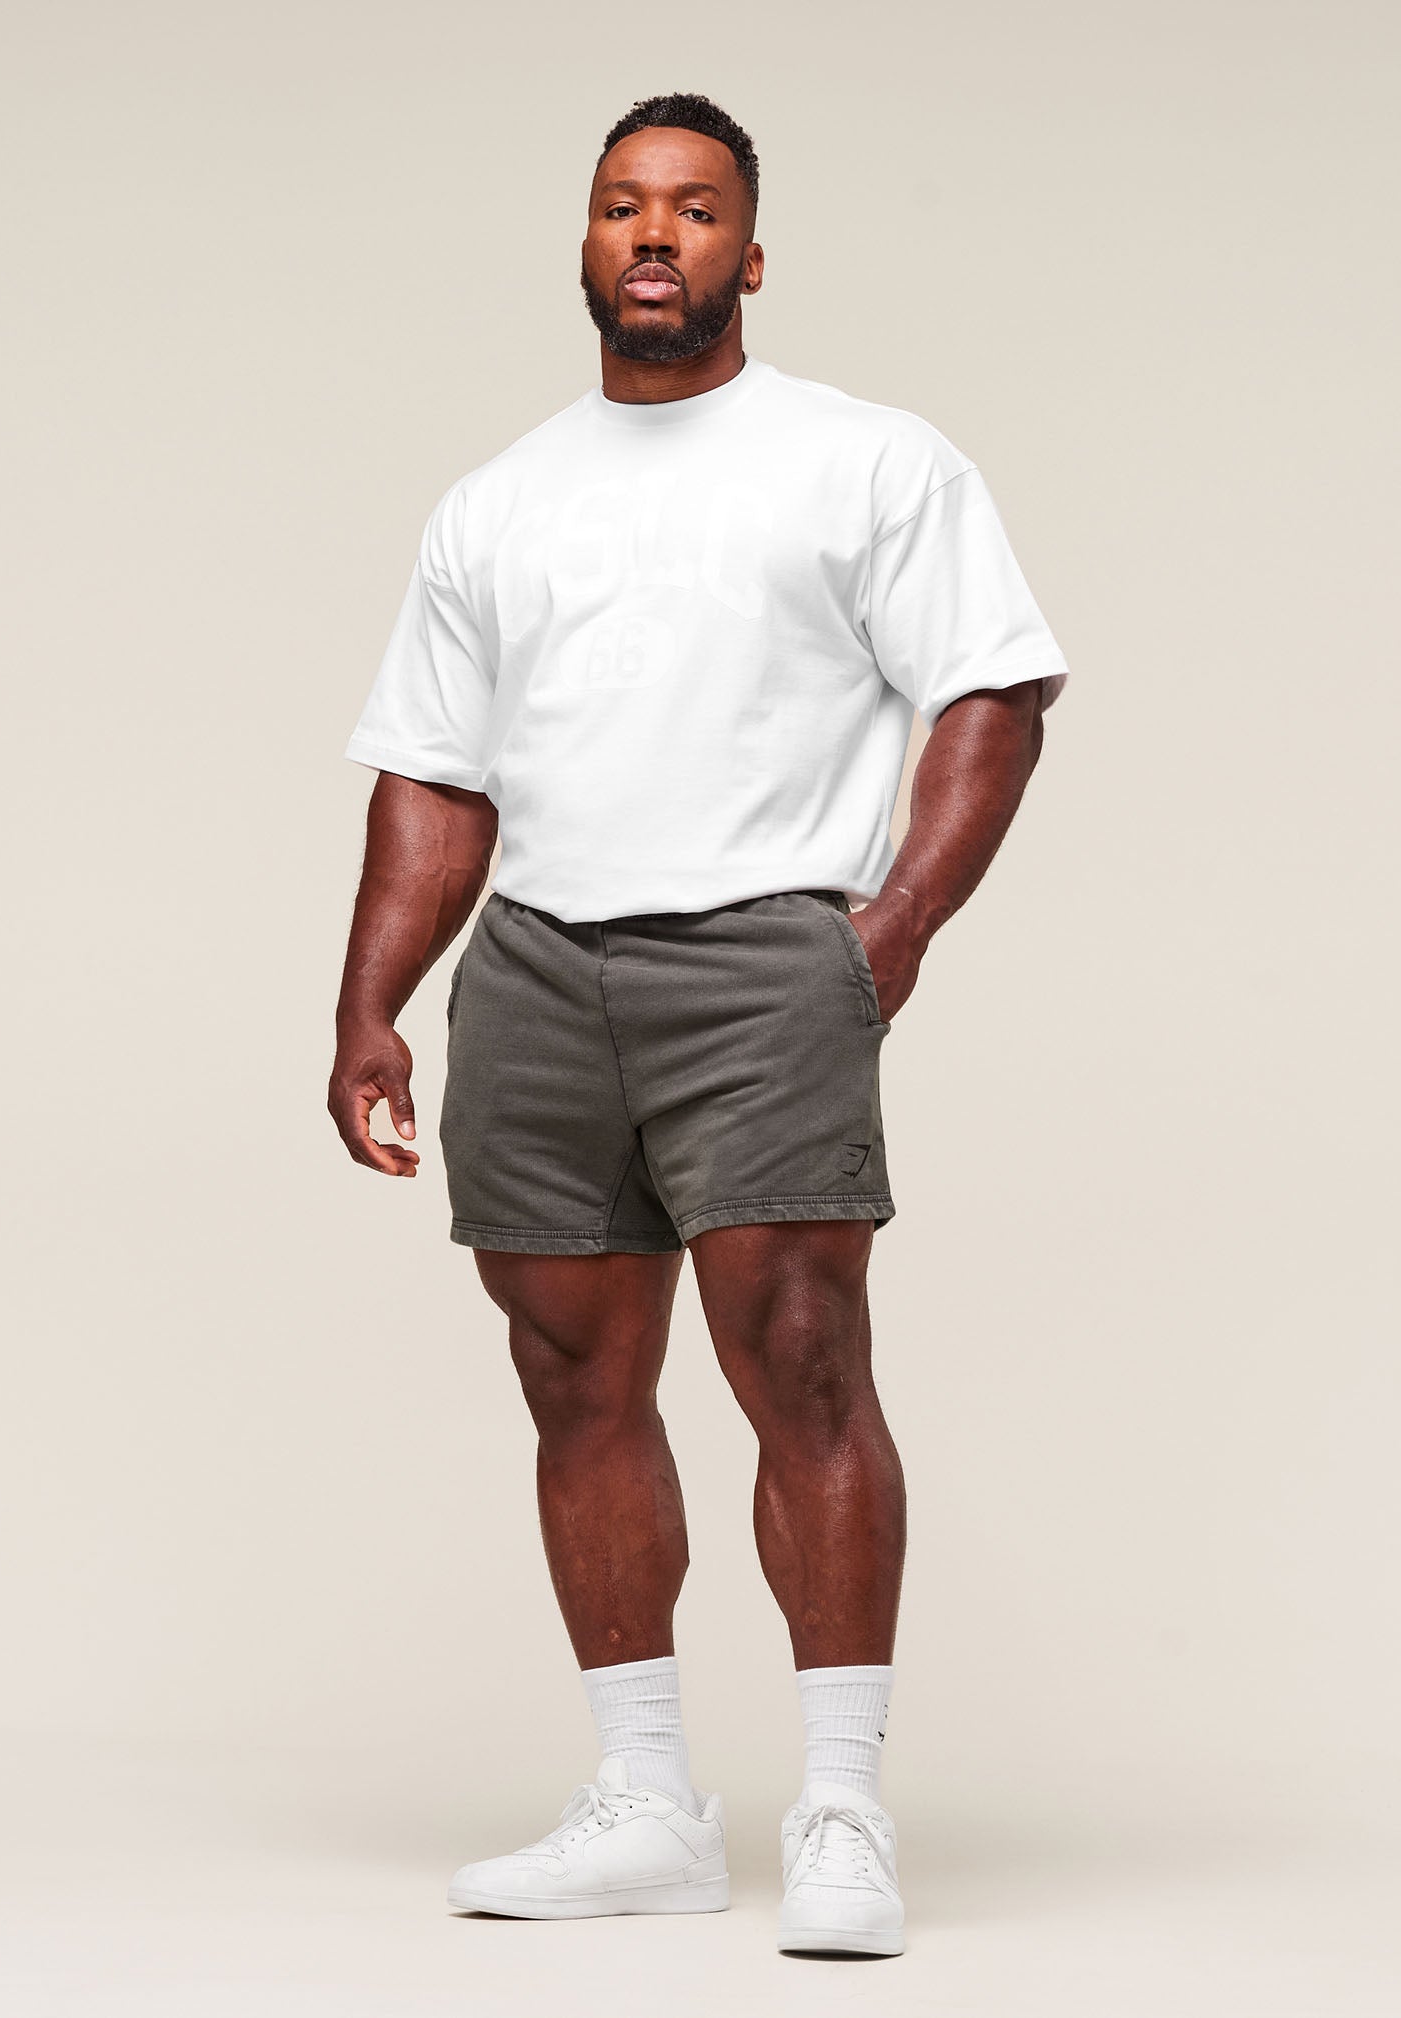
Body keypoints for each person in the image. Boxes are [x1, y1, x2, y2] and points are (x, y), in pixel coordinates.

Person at [328, 90, 1070, 1959]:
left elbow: (993, 693)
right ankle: (648, 1800)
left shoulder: (865, 459)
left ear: (751, 249)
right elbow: (436, 776)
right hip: (537, 966)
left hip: (760, 960)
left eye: (695, 208)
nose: (655, 234)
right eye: (622, 206)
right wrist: (370, 1003)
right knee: (572, 1376)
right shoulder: (498, 501)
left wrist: (890, 931)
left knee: (802, 1357)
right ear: (585, 243)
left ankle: (842, 1808)